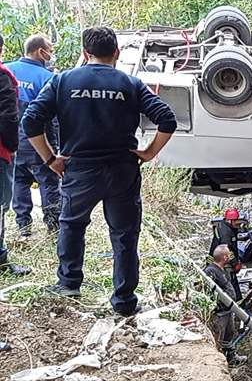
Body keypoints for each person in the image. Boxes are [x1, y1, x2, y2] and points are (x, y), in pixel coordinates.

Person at [21, 27, 177, 316]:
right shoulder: (131, 84)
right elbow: (167, 119)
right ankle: (124, 301)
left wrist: (50, 159)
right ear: (116, 53)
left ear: (85, 53)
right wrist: (149, 152)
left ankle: (69, 282)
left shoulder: (63, 81)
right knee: (125, 236)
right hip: (122, 171)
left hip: (79, 171)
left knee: (72, 225)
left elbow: (30, 121)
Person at [6, 34, 60, 236]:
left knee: (19, 181)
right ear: (40, 52)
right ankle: (53, 226)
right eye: (50, 51)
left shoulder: (7, 70)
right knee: (49, 181)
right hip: (38, 141)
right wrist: (54, 146)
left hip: (11, 141)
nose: (51, 55)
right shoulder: (48, 78)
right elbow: (53, 117)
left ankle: (23, 226)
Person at [0, 33, 30, 276]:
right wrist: (12, 147)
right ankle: (0, 258)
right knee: (0, 205)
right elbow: (9, 116)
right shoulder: (4, 77)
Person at [204, 244, 248, 365]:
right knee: (220, 337)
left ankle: (231, 358)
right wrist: (216, 306)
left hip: (229, 310)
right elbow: (206, 292)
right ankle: (218, 362)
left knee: (230, 334)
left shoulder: (224, 269)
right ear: (224, 257)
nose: (230, 256)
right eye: (228, 254)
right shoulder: (210, 271)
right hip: (220, 313)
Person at [209, 207, 245, 300]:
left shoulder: (224, 226)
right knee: (230, 284)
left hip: (217, 259)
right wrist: (235, 263)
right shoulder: (225, 232)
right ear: (230, 220)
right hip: (223, 261)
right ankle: (238, 305)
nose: (238, 223)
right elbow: (227, 250)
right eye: (236, 221)